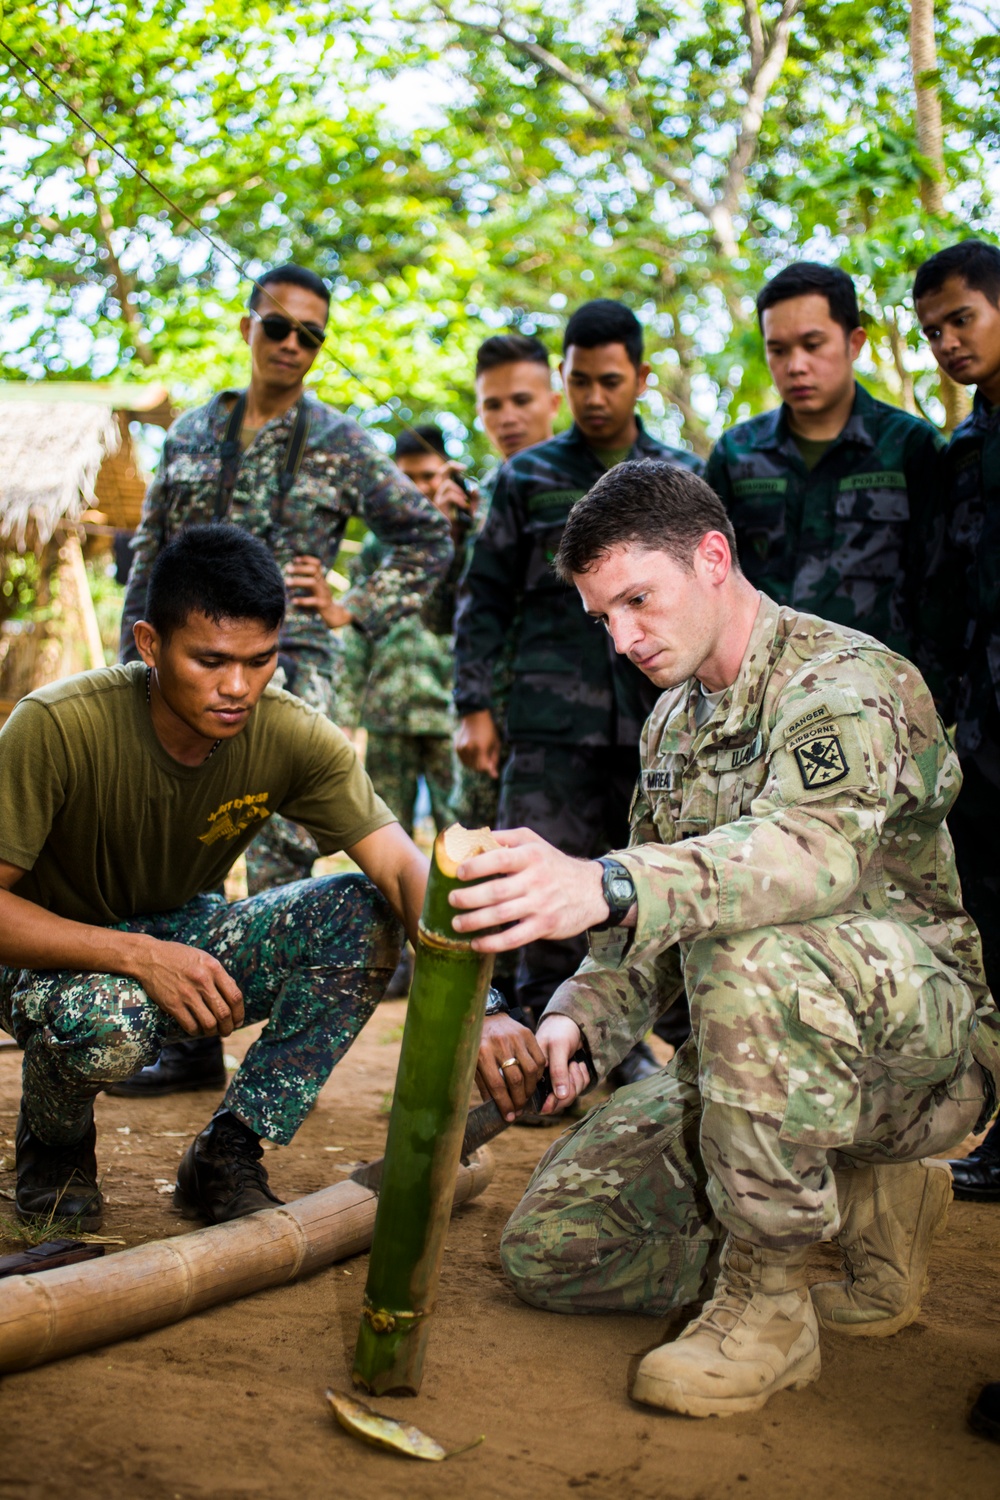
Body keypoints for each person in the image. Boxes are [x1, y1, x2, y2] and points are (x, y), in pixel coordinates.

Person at [454, 460, 997, 1419]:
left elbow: (809, 857)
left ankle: (770, 1299)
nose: (622, 638)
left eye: (637, 601)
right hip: (765, 1050)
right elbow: (641, 931)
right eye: (602, 618)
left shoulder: (844, 680)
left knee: (748, 947)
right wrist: (575, 1025)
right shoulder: (671, 725)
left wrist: (606, 878)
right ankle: (865, 1202)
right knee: (552, 1249)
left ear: (713, 557)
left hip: (924, 1050)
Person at [0, 526, 429, 1230]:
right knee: (109, 1018)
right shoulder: (56, 726)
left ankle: (227, 1149)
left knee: (364, 913)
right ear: (149, 645)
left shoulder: (289, 732)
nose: (237, 688)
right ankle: (56, 1143)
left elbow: (402, 866)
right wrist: (140, 955)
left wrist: (492, 1004)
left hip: (183, 928)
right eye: (210, 661)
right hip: (48, 957)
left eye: (260, 661)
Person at [114, 263, 450, 1096]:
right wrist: (131, 663)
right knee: (173, 837)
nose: (294, 345)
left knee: (278, 846)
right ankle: (189, 1039)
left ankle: (269, 1063)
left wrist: (351, 605)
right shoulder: (192, 431)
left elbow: (427, 537)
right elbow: (151, 553)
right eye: (280, 327)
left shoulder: (341, 442)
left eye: (312, 335)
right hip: (180, 673)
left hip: (295, 663)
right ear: (248, 328)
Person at [453, 301, 704, 1085]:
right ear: (563, 382)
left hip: (652, 717)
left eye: (611, 380)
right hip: (547, 718)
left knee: (639, 873)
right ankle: (541, 1042)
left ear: (640, 379)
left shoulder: (674, 477)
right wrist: (473, 704)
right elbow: (482, 596)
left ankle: (618, 1038)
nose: (595, 397)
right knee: (538, 878)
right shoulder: (526, 476)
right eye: (580, 380)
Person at [705, 262, 947, 660]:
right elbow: (711, 581)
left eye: (812, 345)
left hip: (879, 694)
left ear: (854, 343)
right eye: (778, 350)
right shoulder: (735, 453)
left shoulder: (909, 446)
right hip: (761, 694)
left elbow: (942, 584)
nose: (795, 365)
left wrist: (931, 694)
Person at [913, 239, 1000, 1206]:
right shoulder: (961, 452)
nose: (944, 341)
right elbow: (941, 604)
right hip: (979, 740)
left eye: (961, 319)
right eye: (931, 328)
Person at [451, 333, 563, 835]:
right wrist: (451, 538)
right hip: (489, 718)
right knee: (480, 859)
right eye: (492, 405)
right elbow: (443, 617)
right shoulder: (482, 499)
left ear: (554, 402)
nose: (507, 417)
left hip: (563, 722)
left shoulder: (594, 490)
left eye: (522, 401)